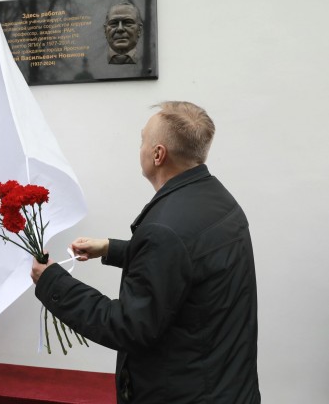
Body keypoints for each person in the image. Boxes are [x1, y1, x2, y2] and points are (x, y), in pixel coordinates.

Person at [32, 101, 260, 403]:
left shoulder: (164, 230)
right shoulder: (219, 200)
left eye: (143, 140)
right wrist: (112, 249)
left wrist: (52, 282)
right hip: (228, 387)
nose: (139, 148)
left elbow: (129, 326)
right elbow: (188, 264)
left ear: (158, 154)